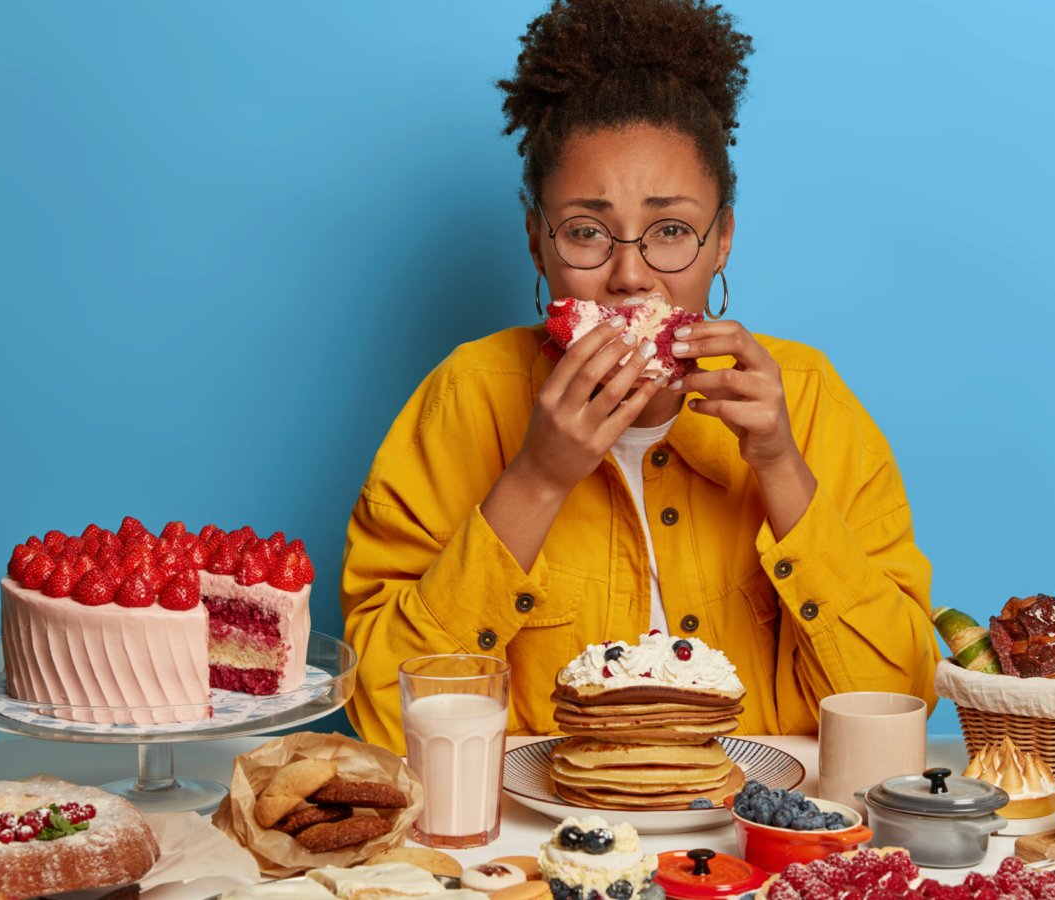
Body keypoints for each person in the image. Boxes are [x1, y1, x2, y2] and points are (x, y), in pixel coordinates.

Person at [342, 0, 936, 752]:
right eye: (587, 232)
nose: (630, 276)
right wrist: (537, 478)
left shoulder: (809, 398)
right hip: (532, 847)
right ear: (537, 243)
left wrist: (781, 469)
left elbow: (898, 710)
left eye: (672, 232)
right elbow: (386, 717)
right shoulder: (466, 397)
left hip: (757, 848)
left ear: (722, 240)